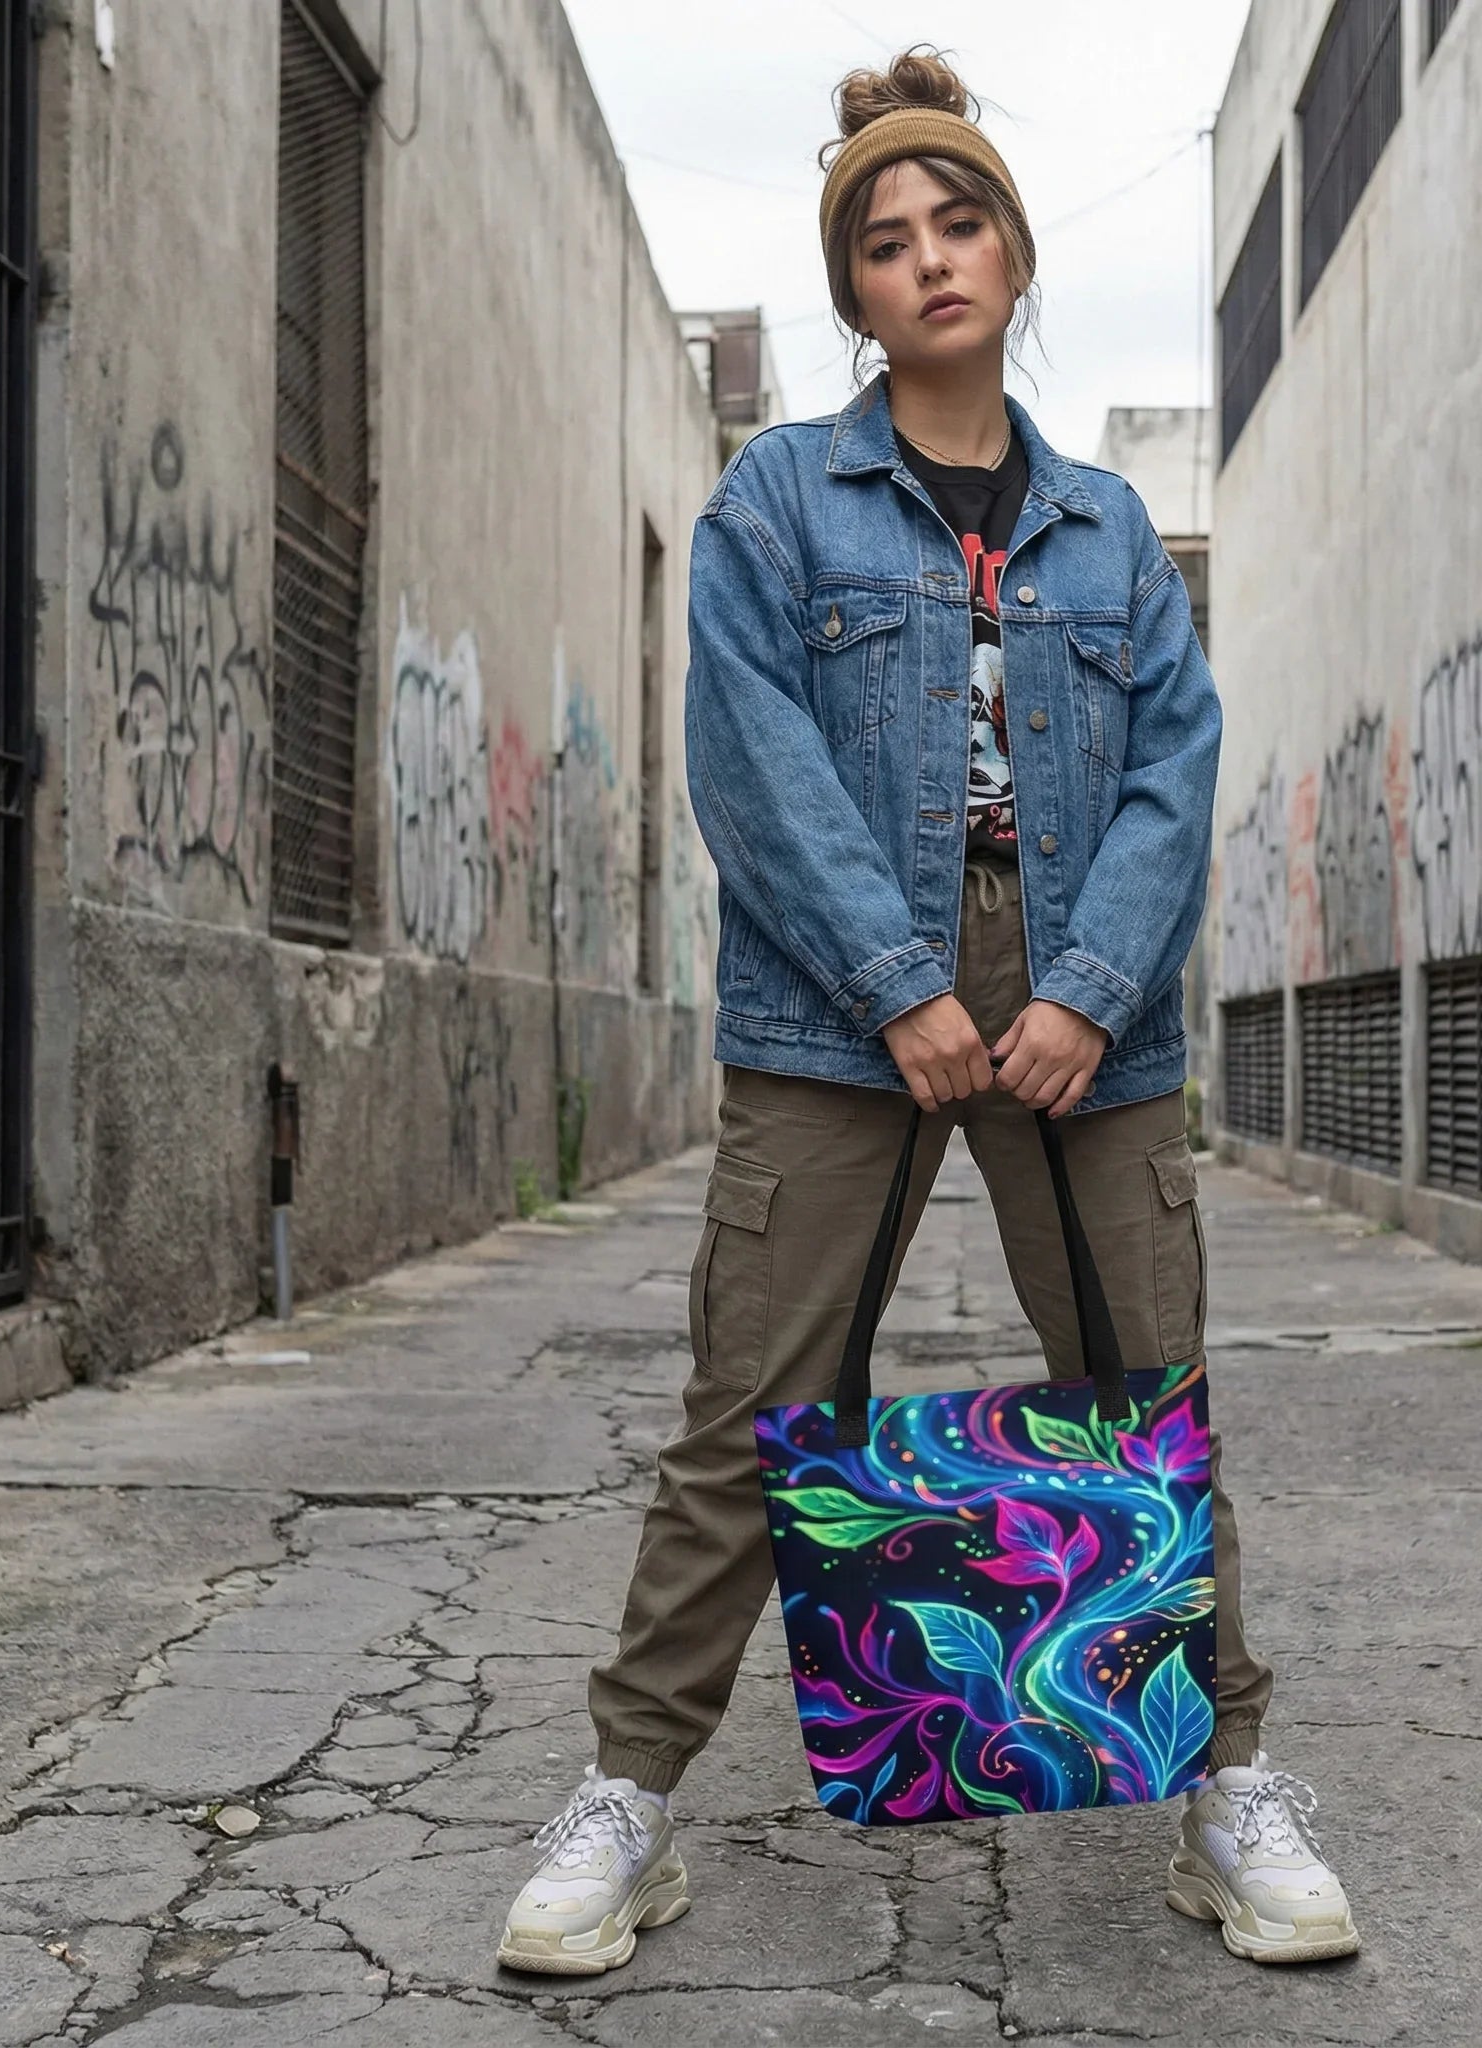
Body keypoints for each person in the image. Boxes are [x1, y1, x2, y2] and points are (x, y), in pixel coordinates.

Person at [497, 47, 1360, 1977]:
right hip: (832, 1005)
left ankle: (1230, 1790)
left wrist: (1084, 989)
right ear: (855, 294)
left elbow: (1169, 769)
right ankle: (629, 1799)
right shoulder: (776, 504)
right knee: (755, 1408)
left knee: (1148, 1409)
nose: (928, 261)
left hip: (1085, 1011)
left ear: (1014, 250)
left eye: (957, 222)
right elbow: (753, 760)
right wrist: (901, 985)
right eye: (884, 242)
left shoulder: (1114, 532)